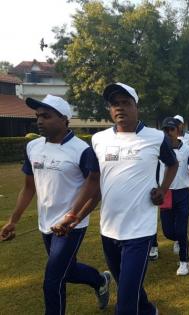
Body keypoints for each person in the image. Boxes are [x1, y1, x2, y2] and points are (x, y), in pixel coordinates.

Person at [52, 82, 179, 315]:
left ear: (136, 106)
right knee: (126, 286)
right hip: (109, 229)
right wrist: (75, 216)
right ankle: (149, 310)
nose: (119, 108)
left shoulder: (155, 137)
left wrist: (163, 189)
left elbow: (172, 164)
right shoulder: (99, 140)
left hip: (140, 231)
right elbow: (95, 185)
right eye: (114, 104)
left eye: (125, 103)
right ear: (109, 110)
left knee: (125, 304)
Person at [0, 95, 111, 315]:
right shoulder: (32, 147)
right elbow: (29, 188)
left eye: (47, 116)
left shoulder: (82, 150)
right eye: (38, 116)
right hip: (45, 224)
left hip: (71, 226)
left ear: (64, 119)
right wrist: (13, 220)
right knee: (66, 271)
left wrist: (72, 216)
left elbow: (94, 189)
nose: (40, 121)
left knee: (52, 281)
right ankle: (100, 280)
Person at [159, 117, 189, 276]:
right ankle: (179, 240)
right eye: (165, 130)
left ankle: (184, 261)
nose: (168, 133)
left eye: (171, 129)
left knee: (181, 230)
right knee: (168, 232)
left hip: (182, 193)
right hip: (165, 194)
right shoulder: (158, 150)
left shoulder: (187, 150)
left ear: (178, 131)